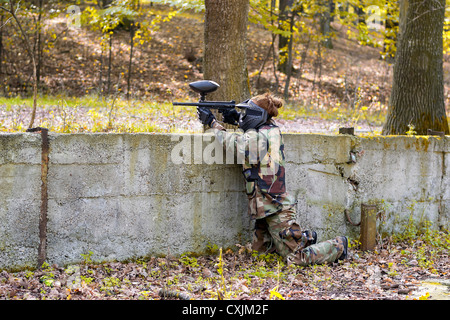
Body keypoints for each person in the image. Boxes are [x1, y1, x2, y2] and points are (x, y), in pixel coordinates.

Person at [197, 93, 348, 266]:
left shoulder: (259, 137)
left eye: (246, 114)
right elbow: (249, 133)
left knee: (296, 258)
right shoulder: (270, 129)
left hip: (275, 207)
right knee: (260, 253)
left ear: (257, 115)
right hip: (265, 205)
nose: (244, 117)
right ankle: (303, 238)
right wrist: (237, 120)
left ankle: (338, 246)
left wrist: (213, 123)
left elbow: (237, 144)